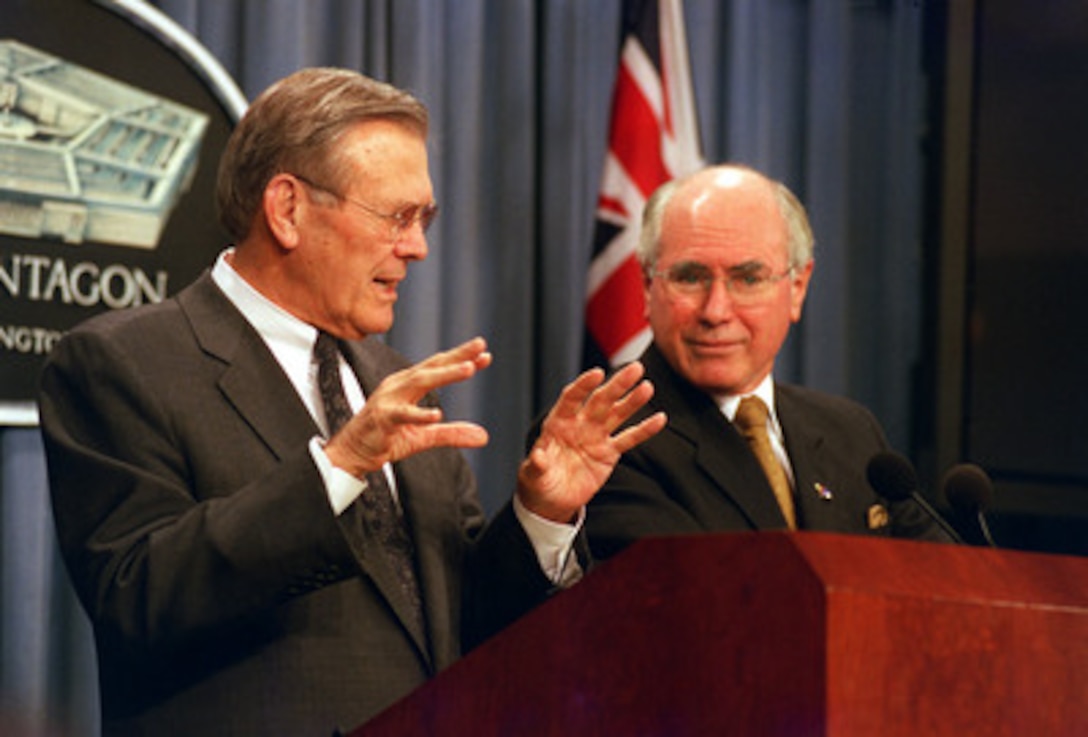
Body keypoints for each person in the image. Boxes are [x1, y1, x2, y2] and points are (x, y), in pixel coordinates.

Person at [37, 68, 665, 736]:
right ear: (287, 209)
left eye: (424, 220)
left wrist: (541, 515)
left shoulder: (391, 379)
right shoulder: (123, 362)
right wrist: (335, 468)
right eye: (397, 216)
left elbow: (461, 621)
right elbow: (137, 594)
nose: (418, 247)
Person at [585, 163, 952, 560]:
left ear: (797, 288)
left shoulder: (851, 432)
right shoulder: (603, 437)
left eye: (748, 279)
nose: (716, 311)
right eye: (690, 277)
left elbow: (946, 585)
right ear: (646, 286)